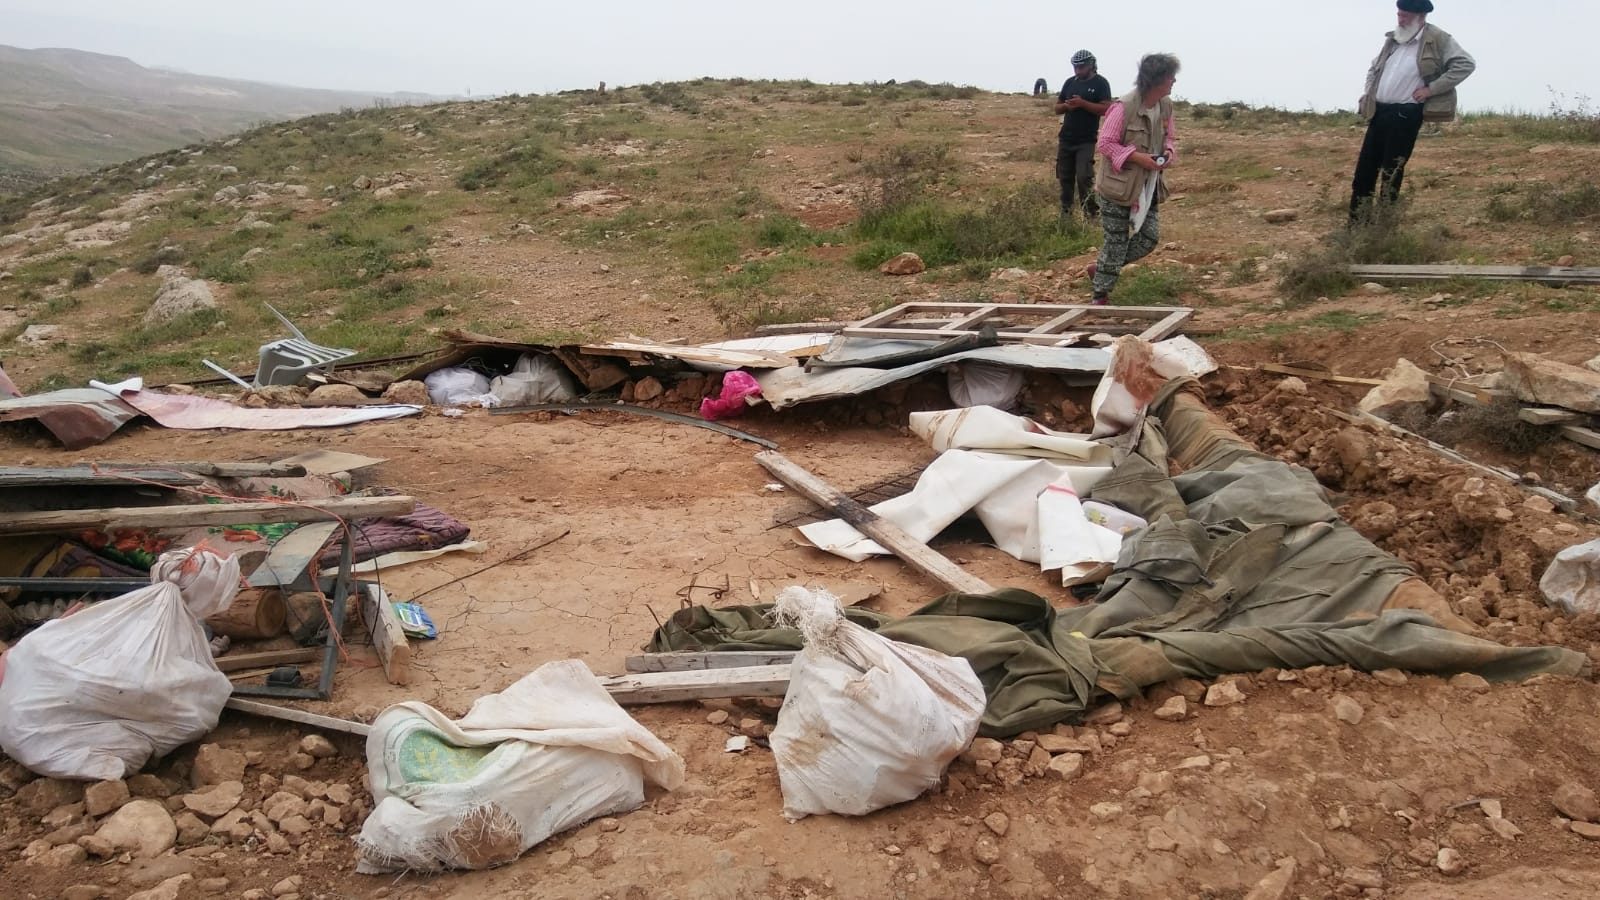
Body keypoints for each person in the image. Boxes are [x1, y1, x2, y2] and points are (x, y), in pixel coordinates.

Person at [1349, 0, 1475, 223]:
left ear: (1420, 16)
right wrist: (1368, 92)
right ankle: (1357, 226)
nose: (1400, 19)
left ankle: (1384, 227)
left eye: (1405, 15)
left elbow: (1465, 64)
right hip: (1379, 113)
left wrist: (1430, 89)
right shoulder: (1394, 39)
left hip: (1405, 115)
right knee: (1364, 173)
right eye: (1399, 14)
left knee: (1392, 171)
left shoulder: (1438, 38)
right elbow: (1374, 67)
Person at [1089, 53, 1179, 305]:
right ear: (1156, 79)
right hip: (1116, 186)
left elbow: (1169, 138)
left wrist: (1169, 153)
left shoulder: (1166, 106)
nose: (1174, 81)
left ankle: (1102, 268)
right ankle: (1100, 294)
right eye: (1170, 76)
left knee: (1149, 238)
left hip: (1147, 187)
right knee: (1115, 241)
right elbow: (1105, 143)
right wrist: (1138, 158)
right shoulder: (1124, 106)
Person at [1054, 50, 1112, 219]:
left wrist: (1083, 103)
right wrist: (1067, 107)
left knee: (1084, 177)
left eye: (1081, 66)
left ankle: (1091, 214)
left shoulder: (1101, 83)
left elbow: (1107, 109)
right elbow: (1057, 108)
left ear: (1091, 65)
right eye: (1075, 66)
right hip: (1066, 138)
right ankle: (1065, 215)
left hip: (1086, 139)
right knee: (1065, 177)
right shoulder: (1070, 83)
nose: (1078, 70)